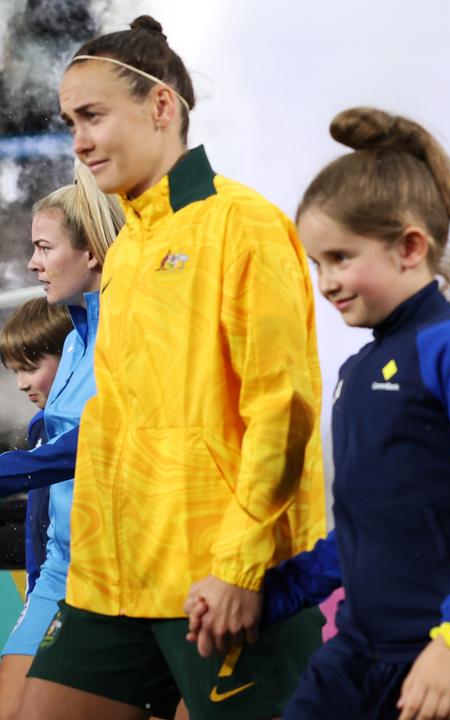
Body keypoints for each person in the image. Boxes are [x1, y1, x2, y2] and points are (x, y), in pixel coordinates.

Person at [20, 16, 326, 720]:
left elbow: (282, 411)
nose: (79, 141)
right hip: (109, 582)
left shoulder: (242, 224)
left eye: (92, 116)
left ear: (161, 106)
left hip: (216, 580)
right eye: (70, 122)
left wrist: (240, 566)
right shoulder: (127, 249)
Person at [258, 107, 450, 719]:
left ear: (411, 247)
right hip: (362, 654)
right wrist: (267, 597)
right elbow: (370, 529)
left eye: (340, 257)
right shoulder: (355, 372)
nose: (326, 281)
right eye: (317, 264)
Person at [0, 163, 124, 719]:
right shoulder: (73, 338)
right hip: (59, 572)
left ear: (92, 254)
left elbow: (89, 444)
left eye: (44, 247)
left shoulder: (129, 332)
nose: (32, 263)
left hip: (124, 574)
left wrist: (8, 470)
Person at [0, 299, 71, 719]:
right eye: (15, 373)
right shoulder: (39, 427)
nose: (23, 384)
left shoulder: (103, 417)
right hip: (51, 582)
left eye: (31, 366)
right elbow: (39, 527)